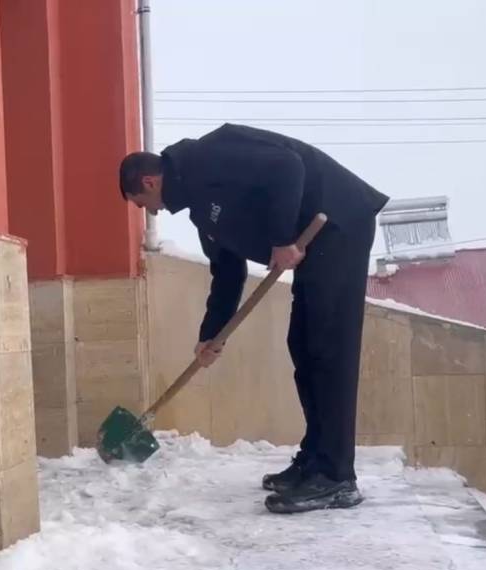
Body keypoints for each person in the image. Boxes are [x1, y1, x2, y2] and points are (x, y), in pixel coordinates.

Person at [119, 124, 388, 515]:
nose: (151, 212)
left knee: (328, 349)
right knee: (303, 345)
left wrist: (281, 239)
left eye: (142, 203)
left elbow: (286, 167)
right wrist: (211, 335)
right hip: (315, 245)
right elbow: (227, 274)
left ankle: (336, 477)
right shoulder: (201, 213)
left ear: (149, 180)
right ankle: (315, 459)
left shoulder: (209, 155)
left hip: (339, 224)